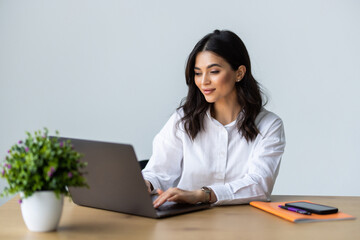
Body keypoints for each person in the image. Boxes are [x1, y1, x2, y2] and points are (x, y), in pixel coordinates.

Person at [142, 29, 285, 208]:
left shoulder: (268, 125)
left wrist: (201, 195)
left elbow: (259, 185)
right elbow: (158, 172)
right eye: (198, 73)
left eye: (214, 71)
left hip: (244, 224)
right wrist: (145, 184)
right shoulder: (183, 120)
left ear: (239, 73)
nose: (203, 81)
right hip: (186, 223)